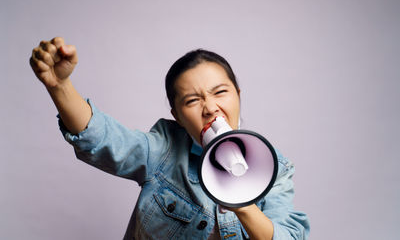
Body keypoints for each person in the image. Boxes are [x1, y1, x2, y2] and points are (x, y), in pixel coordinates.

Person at [30, 37, 310, 239]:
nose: (210, 107)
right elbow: (102, 140)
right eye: (192, 100)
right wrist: (60, 86)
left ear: (238, 94)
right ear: (176, 114)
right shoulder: (164, 149)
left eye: (220, 92)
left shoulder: (275, 169)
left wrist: (241, 202)